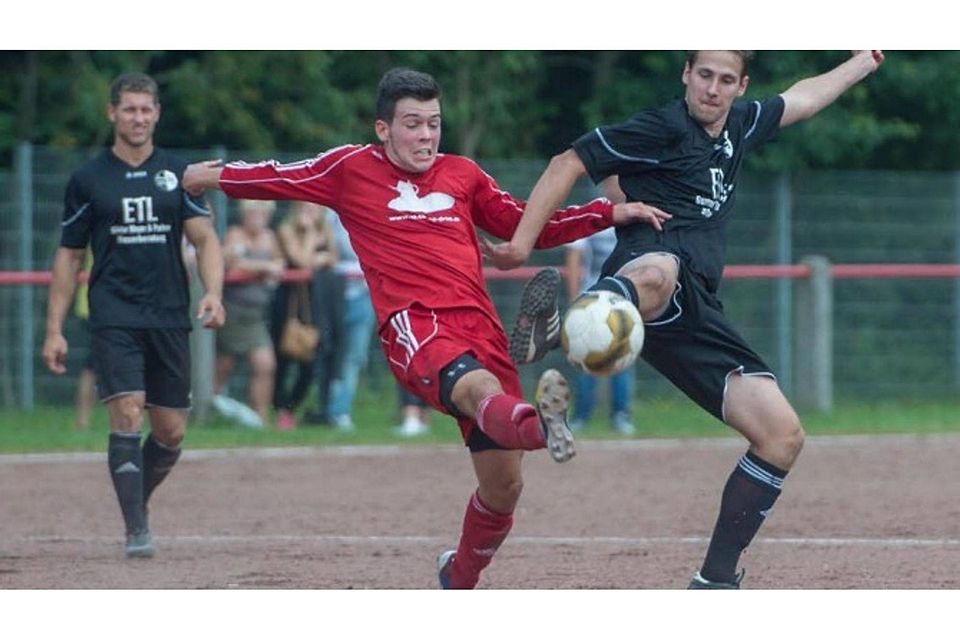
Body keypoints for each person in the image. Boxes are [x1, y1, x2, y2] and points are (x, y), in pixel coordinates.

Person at [182, 67, 655, 589]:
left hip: (483, 331)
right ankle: (543, 423)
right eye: (412, 125)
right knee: (482, 392)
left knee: (504, 487)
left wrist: (608, 214)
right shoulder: (350, 168)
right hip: (416, 327)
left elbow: (524, 221)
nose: (426, 136)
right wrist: (213, 177)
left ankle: (459, 576)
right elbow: (280, 174)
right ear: (383, 129)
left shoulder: (463, 174)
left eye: (433, 124)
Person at [494, 50, 885, 588]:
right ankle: (564, 334)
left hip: (698, 310)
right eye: (704, 75)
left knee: (782, 436)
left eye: (726, 80)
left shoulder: (742, 125)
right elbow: (569, 162)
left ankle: (714, 582)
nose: (713, 88)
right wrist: (520, 245)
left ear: (740, 85)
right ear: (686, 76)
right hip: (650, 277)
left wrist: (864, 60)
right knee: (661, 268)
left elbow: (806, 96)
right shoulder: (662, 126)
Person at [42, 72, 225, 559]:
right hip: (113, 314)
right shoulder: (87, 180)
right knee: (127, 409)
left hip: (168, 314)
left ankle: (133, 501)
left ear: (157, 114)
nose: (138, 118)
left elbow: (205, 238)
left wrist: (213, 292)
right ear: (112, 113)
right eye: (129, 109)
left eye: (146, 109)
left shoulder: (177, 174)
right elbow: (68, 257)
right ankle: (136, 529)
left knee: (170, 431)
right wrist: (54, 329)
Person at [213, 199, 284, 428]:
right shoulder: (234, 233)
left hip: (256, 314)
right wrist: (264, 267)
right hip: (233, 311)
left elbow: (280, 264)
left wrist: (270, 268)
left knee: (265, 365)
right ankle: (206, 409)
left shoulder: (269, 237)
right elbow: (231, 264)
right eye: (253, 211)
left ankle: (260, 418)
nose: (257, 216)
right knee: (224, 365)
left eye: (262, 212)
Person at [270, 201, 337, 430]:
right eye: (306, 209)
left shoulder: (325, 230)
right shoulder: (286, 230)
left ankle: (290, 407)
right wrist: (309, 233)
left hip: (314, 303)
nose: (312, 213)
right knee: (284, 359)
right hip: (288, 303)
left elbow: (332, 259)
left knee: (312, 360)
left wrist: (320, 257)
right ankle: (279, 410)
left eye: (316, 209)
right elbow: (302, 260)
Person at [564, 226, 636, 435]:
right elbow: (574, 257)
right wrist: (574, 298)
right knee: (585, 356)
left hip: (621, 303)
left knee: (622, 358)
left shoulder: (638, 217)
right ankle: (581, 416)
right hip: (591, 302)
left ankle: (621, 415)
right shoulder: (594, 218)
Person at [325, 211, 376, 432]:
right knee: (327, 351)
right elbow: (329, 253)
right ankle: (324, 408)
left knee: (354, 356)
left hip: (363, 295)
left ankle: (339, 411)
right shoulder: (328, 212)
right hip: (331, 294)